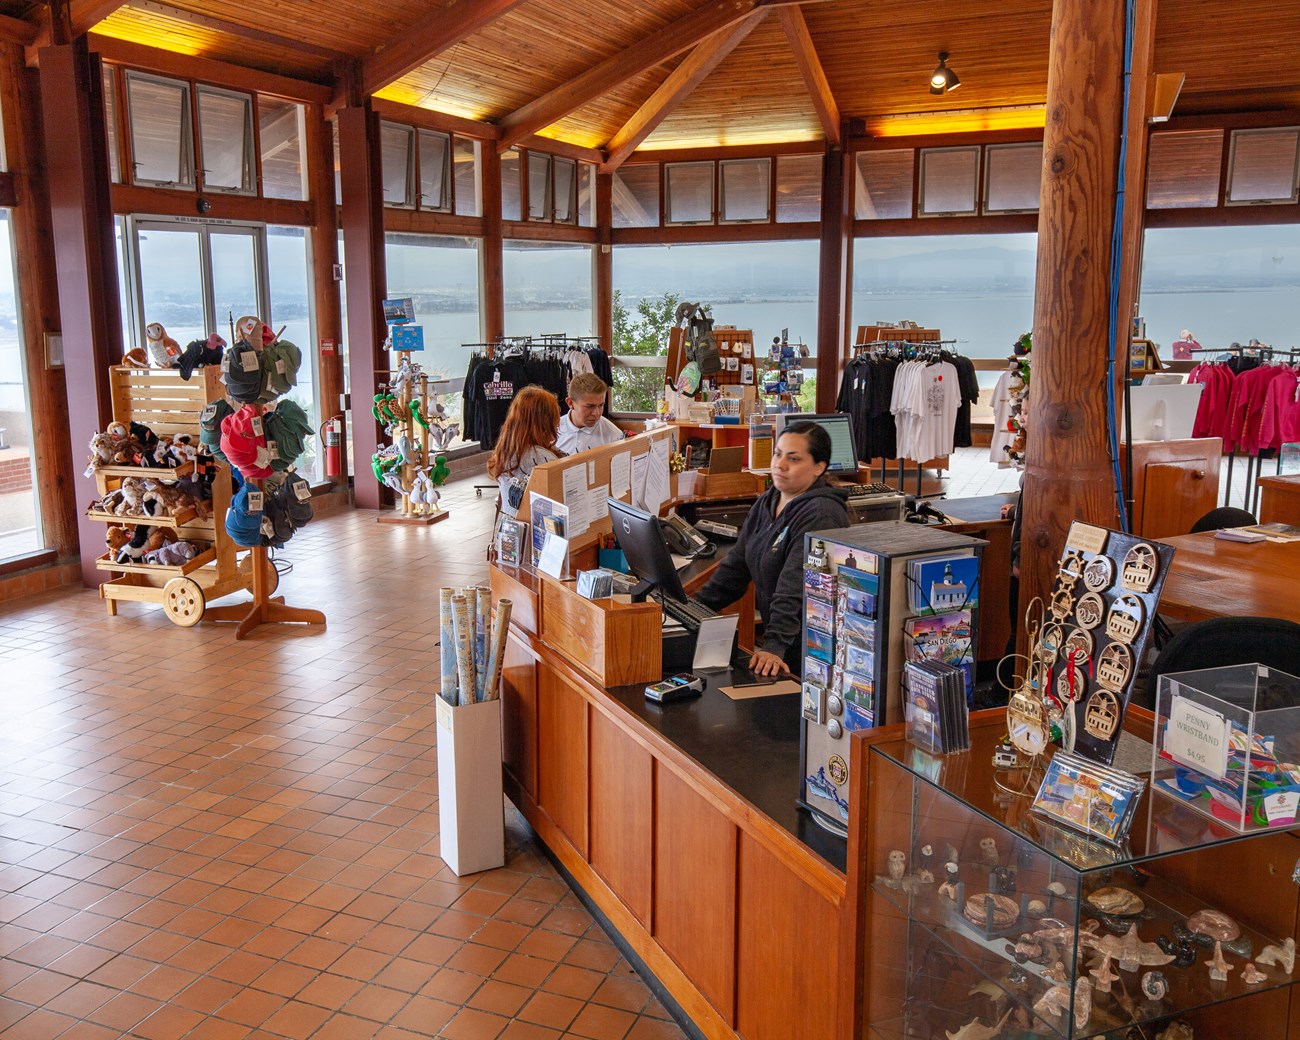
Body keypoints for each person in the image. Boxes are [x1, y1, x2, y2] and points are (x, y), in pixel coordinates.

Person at [696, 421, 850, 677]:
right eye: (777, 454)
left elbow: (796, 587)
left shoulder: (822, 516)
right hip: (785, 643)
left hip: (812, 651)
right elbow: (736, 566)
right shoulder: (770, 499)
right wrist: (694, 607)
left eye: (794, 458)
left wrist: (774, 646)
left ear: (818, 468)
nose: (780, 464)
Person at [487, 386, 565, 511]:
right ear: (545, 421)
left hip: (512, 525)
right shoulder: (540, 457)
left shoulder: (507, 450)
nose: (558, 424)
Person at [556, 372, 624, 454]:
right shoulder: (551, 432)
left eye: (601, 405)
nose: (597, 413)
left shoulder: (614, 436)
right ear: (570, 403)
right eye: (590, 406)